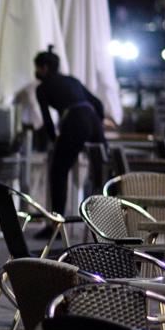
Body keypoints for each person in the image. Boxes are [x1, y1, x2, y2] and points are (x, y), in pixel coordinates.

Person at [33, 46, 106, 236]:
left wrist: (54, 140)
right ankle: (106, 223)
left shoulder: (42, 88)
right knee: (103, 172)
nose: (36, 72)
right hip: (92, 119)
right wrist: (98, 127)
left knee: (58, 171)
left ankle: (56, 225)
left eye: (38, 68)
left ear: (46, 67)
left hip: (74, 121)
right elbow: (98, 104)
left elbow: (47, 120)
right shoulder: (72, 80)